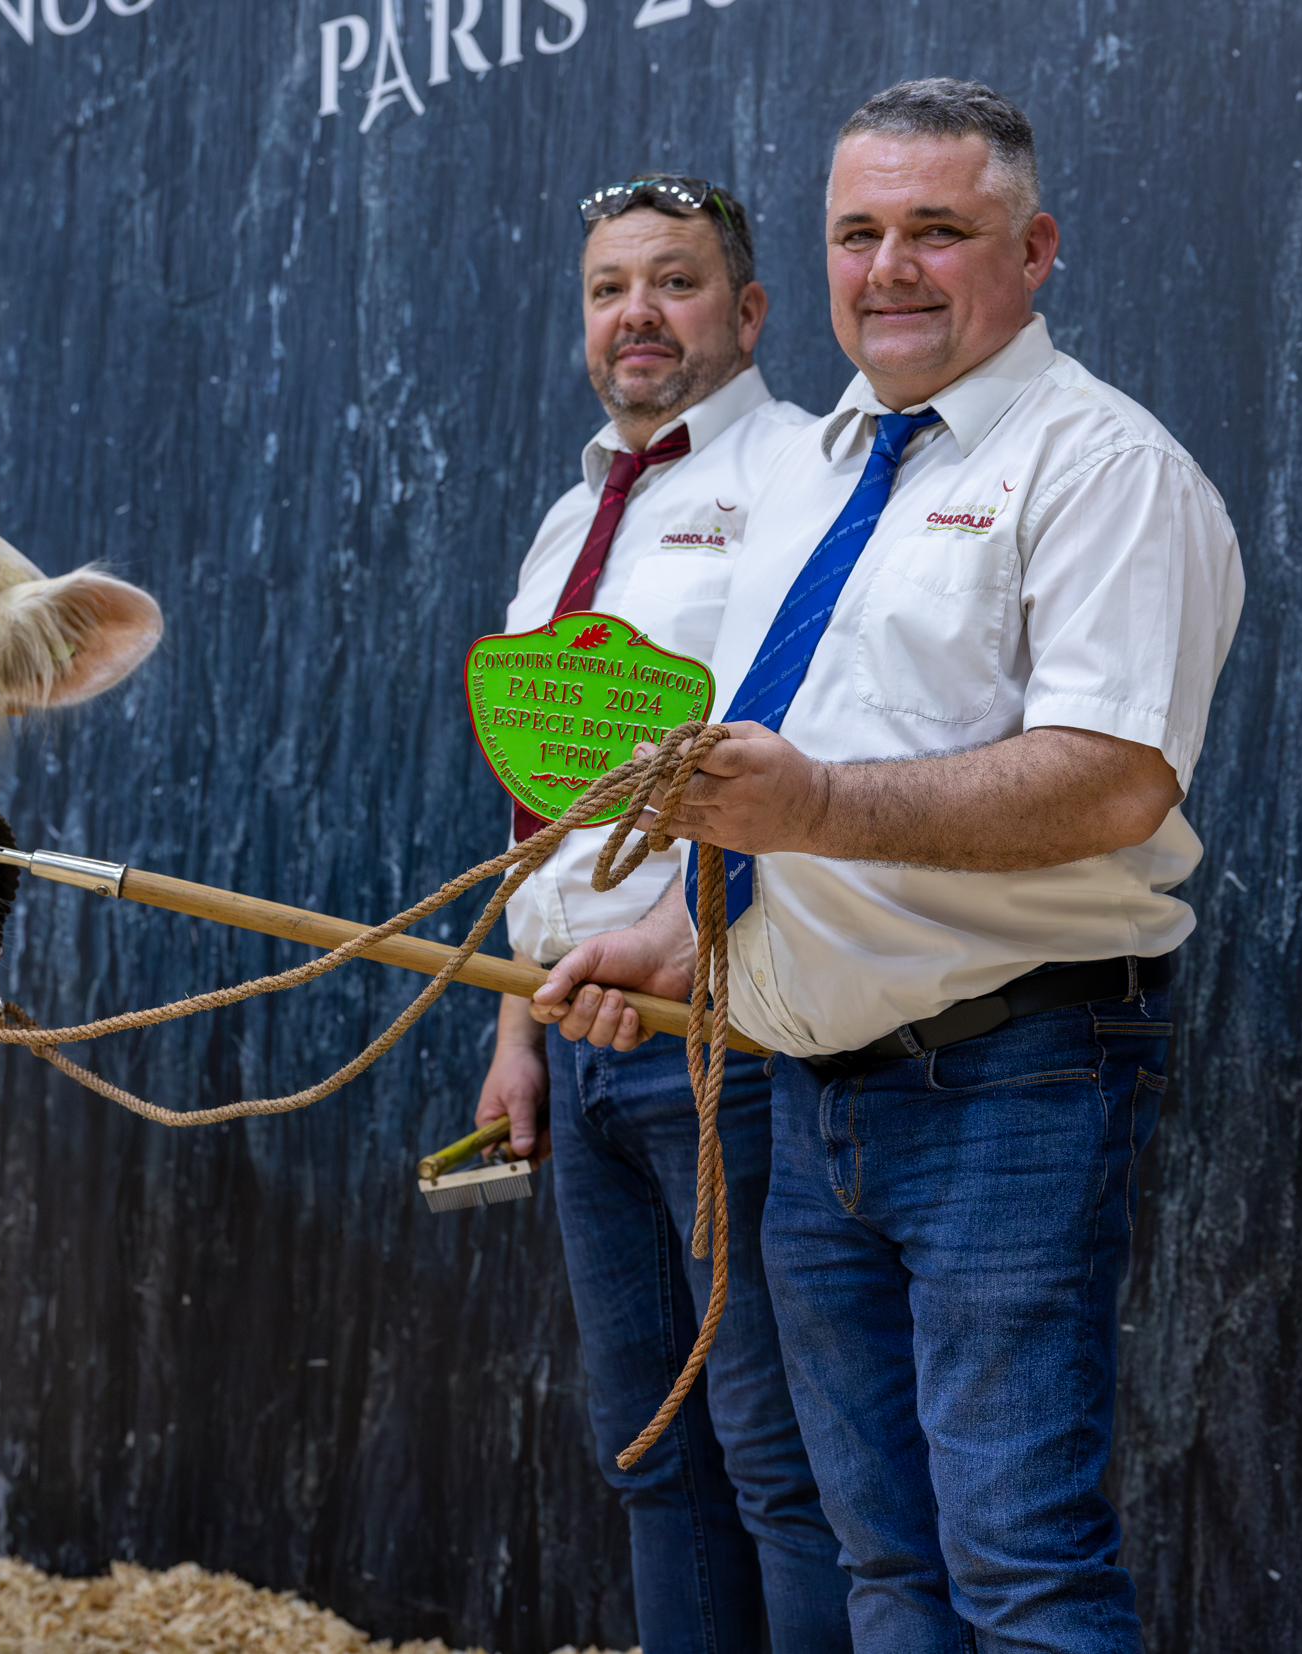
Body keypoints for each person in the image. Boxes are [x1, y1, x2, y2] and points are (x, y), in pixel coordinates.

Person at [529, 83, 1245, 1653]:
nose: (893, 267)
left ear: (1036, 247)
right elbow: (784, 741)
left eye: (941, 230)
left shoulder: (1104, 465)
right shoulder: (827, 458)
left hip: (1015, 1074)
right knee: (883, 1571)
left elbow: (1116, 776)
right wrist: (674, 924)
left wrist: (820, 812)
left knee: (1019, 1568)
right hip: (810, 1077)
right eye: (861, 231)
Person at [473, 174, 852, 1653]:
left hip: (724, 1038)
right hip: (579, 1040)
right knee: (650, 1451)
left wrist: (705, 962)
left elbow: (824, 760)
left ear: (749, 311)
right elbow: (535, 808)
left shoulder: (806, 483)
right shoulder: (572, 514)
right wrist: (518, 1027)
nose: (636, 312)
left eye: (675, 281)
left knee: (775, 1456)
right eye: (607, 287)